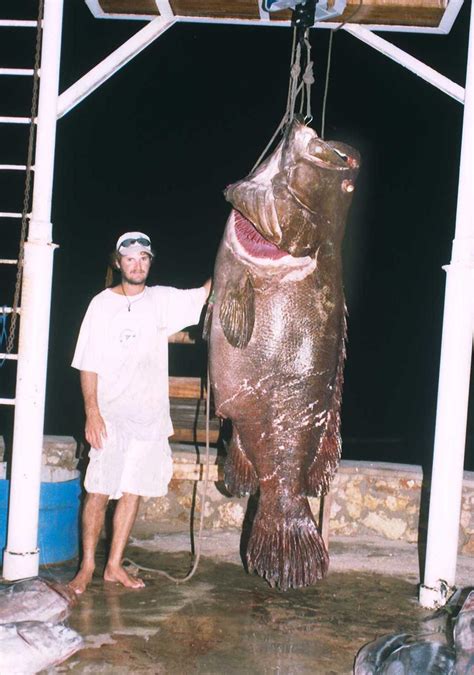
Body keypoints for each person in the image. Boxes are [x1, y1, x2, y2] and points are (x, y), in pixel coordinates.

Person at [69, 231, 211, 594]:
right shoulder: (100, 305)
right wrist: (92, 412)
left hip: (148, 419)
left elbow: (206, 294)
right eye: (129, 258)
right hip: (110, 416)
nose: (137, 264)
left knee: (133, 491)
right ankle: (86, 566)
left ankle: (113, 565)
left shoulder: (161, 300)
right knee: (98, 491)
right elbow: (88, 363)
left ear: (150, 261)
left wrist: (235, 248)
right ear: (118, 262)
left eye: (144, 258)